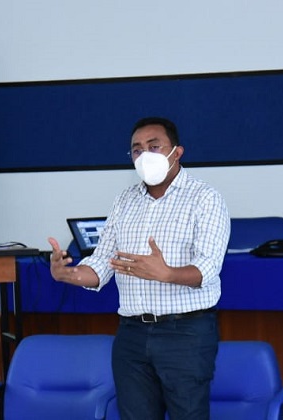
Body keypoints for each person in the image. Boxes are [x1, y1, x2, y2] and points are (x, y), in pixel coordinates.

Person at [48, 116, 230, 420]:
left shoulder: (205, 198)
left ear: (177, 152)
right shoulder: (125, 200)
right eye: (137, 149)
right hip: (132, 334)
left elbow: (208, 267)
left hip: (185, 333)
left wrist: (167, 273)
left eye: (154, 146)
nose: (144, 155)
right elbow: (102, 263)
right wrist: (69, 274)